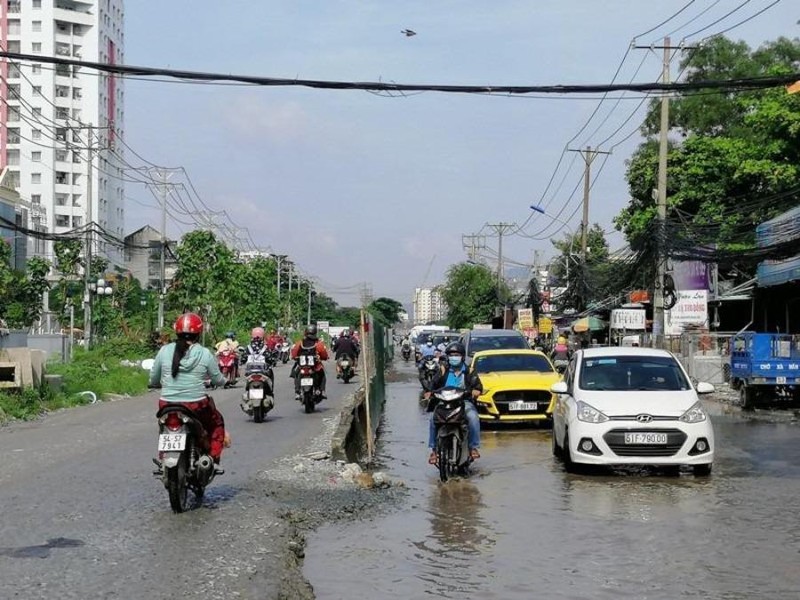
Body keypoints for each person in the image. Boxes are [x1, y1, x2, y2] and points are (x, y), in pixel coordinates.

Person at [149, 313, 230, 464]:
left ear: (176, 332)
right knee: (216, 423)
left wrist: (154, 383)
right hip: (196, 405)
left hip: (167, 404)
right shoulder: (205, 353)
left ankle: (164, 455)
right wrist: (225, 381)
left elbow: (154, 378)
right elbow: (217, 379)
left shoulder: (164, 351)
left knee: (164, 425)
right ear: (199, 334)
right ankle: (212, 457)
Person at [424, 342, 482, 465]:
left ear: (462, 356)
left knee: (472, 417)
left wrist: (476, 390)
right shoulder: (443, 369)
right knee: (433, 420)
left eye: (456, 354)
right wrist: (429, 392)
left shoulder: (469, 371)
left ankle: (473, 448)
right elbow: (433, 384)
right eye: (451, 355)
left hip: (463, 402)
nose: (453, 357)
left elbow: (477, 385)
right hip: (444, 402)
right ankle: (434, 450)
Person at [290, 324, 329, 399]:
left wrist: (296, 358)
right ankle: (322, 390)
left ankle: (297, 391)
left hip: (302, 366)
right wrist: (324, 358)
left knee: (296, 373)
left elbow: (294, 354)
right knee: (322, 374)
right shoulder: (319, 344)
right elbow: (324, 355)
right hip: (315, 367)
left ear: (305, 332)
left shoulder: (300, 343)